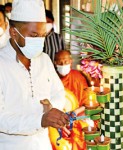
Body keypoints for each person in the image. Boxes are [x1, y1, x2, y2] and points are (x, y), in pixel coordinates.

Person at [0, 0, 69, 150]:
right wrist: (40, 120)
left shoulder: (44, 60)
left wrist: (51, 109)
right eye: (34, 35)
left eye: (43, 35)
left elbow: (58, 93)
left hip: (43, 145)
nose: (40, 41)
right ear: (13, 32)